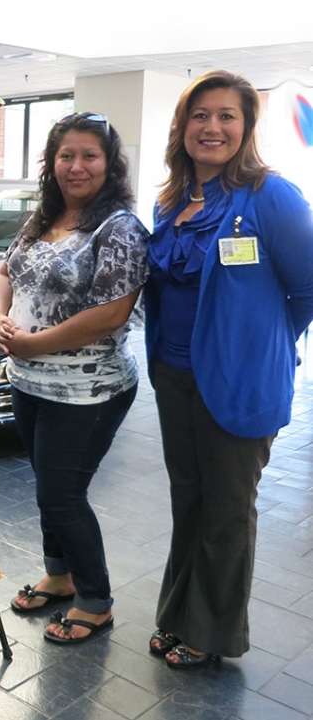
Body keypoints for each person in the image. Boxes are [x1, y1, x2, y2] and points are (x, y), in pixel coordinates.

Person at [145, 70, 313, 668]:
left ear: (245, 128)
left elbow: (307, 287)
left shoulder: (271, 195)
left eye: (226, 116)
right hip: (174, 373)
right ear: (182, 126)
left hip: (239, 380)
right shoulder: (172, 200)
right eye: (200, 115)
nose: (212, 127)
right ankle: (176, 613)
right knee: (188, 500)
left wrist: (265, 343)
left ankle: (211, 632)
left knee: (226, 509)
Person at [0, 112, 148, 645]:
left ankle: (95, 600)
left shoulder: (119, 228)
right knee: (47, 489)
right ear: (51, 163)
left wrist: (33, 343)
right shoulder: (44, 217)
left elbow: (110, 313)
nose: (76, 166)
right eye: (66, 156)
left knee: (62, 494)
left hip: (89, 390)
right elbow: (5, 273)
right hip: (29, 382)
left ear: (110, 164)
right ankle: (58, 575)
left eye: (89, 156)